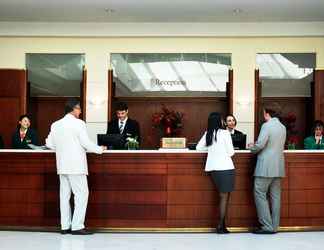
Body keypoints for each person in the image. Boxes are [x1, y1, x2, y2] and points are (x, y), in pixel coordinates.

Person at [46, 98, 107, 235]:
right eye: (79, 109)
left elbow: (49, 143)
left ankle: (65, 226)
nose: (80, 111)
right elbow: (85, 143)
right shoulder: (79, 124)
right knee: (81, 195)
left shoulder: (56, 125)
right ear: (73, 109)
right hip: (76, 166)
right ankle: (77, 226)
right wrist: (100, 149)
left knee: (64, 196)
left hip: (62, 165)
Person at [248, 107, 286, 234]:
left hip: (265, 166)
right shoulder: (282, 127)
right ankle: (275, 226)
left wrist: (252, 148)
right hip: (278, 166)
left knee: (259, 193)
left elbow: (260, 145)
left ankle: (266, 226)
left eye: (264, 112)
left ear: (267, 113)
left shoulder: (267, 126)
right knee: (276, 196)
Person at [196, 112, 235, 234]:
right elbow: (231, 152)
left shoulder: (208, 133)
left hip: (213, 169)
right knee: (224, 196)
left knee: (222, 195)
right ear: (220, 121)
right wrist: (219, 150)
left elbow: (198, 148)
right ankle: (221, 225)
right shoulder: (225, 133)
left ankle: (222, 225)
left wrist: (212, 149)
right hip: (226, 168)